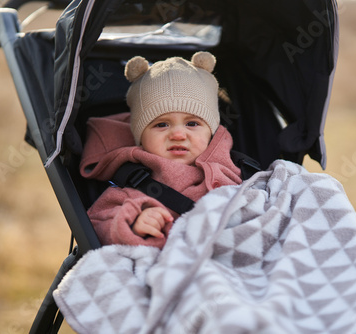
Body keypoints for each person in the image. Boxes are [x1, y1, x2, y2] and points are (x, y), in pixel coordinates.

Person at [79, 51, 243, 249]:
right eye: (161, 125)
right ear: (140, 137)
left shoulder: (235, 166)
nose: (178, 135)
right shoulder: (134, 181)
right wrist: (133, 222)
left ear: (211, 131)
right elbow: (97, 222)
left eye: (192, 123)